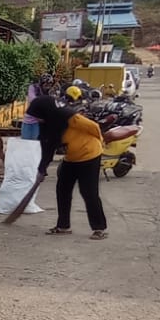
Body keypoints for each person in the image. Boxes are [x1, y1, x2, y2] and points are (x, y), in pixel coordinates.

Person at [35, 95, 108, 240]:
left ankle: (99, 228)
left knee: (88, 192)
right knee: (62, 189)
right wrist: (41, 170)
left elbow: (94, 127)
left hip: (89, 155)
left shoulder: (69, 118)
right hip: (71, 158)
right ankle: (63, 225)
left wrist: (99, 142)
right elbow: (48, 151)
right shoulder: (48, 128)